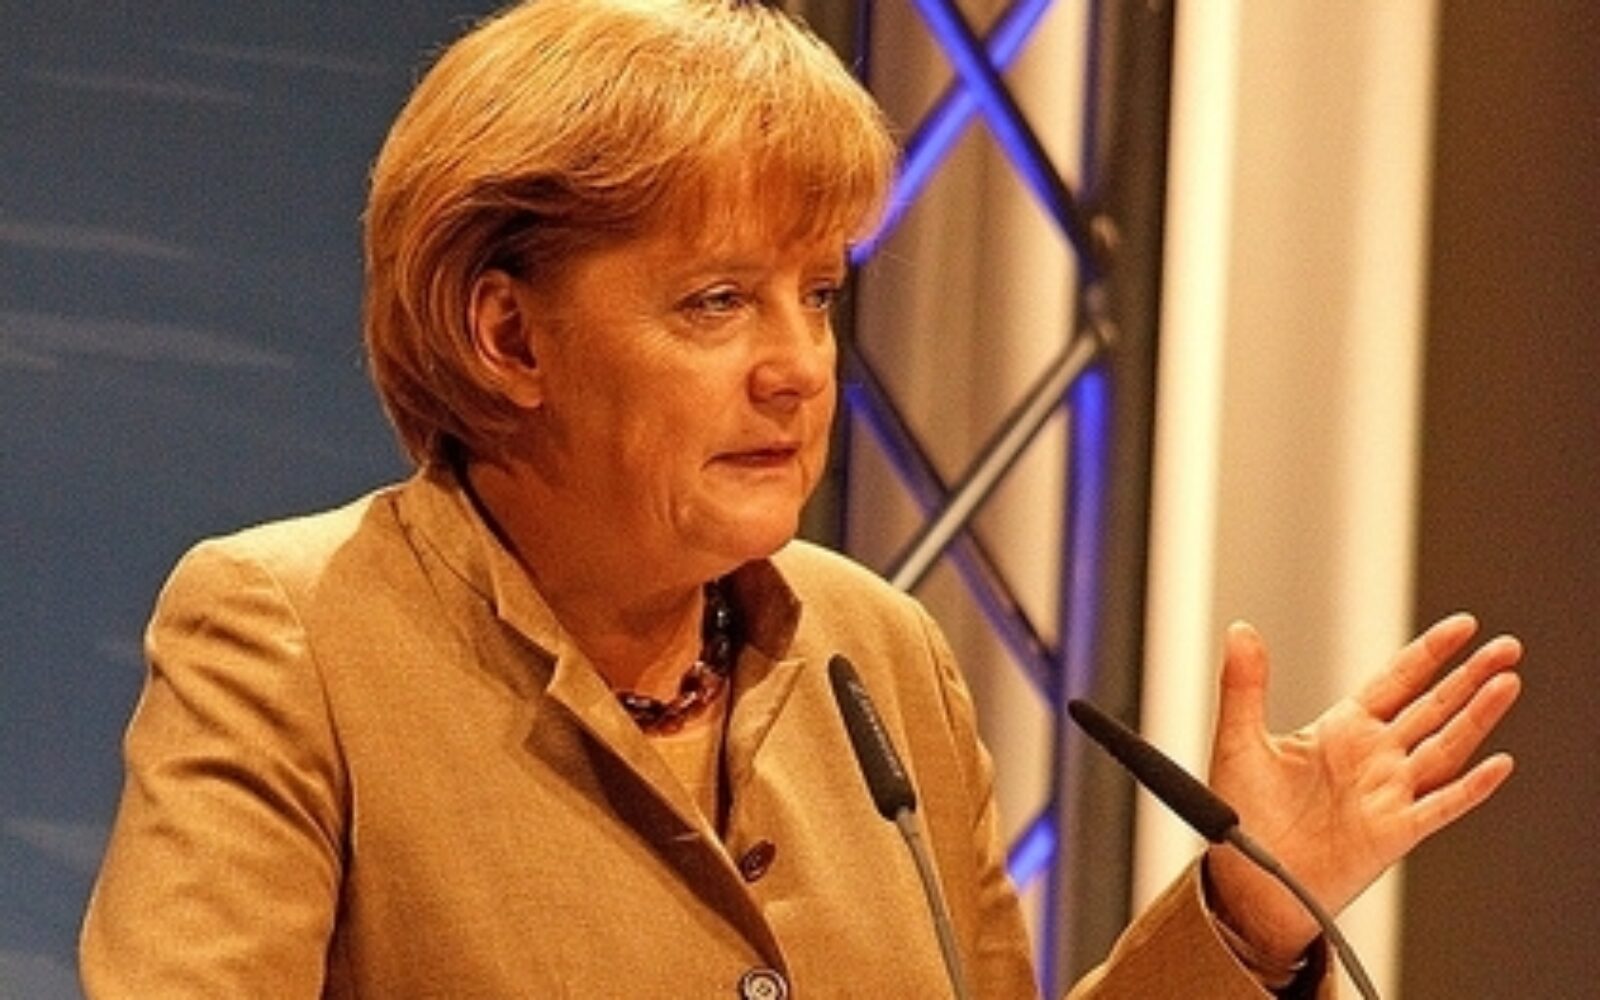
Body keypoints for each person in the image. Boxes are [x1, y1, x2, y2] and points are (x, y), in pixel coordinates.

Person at [78, 1, 1524, 997]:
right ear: (507, 335)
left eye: (818, 295)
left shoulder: (876, 650)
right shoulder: (292, 636)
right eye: (716, 301)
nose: (798, 367)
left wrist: (1247, 916)